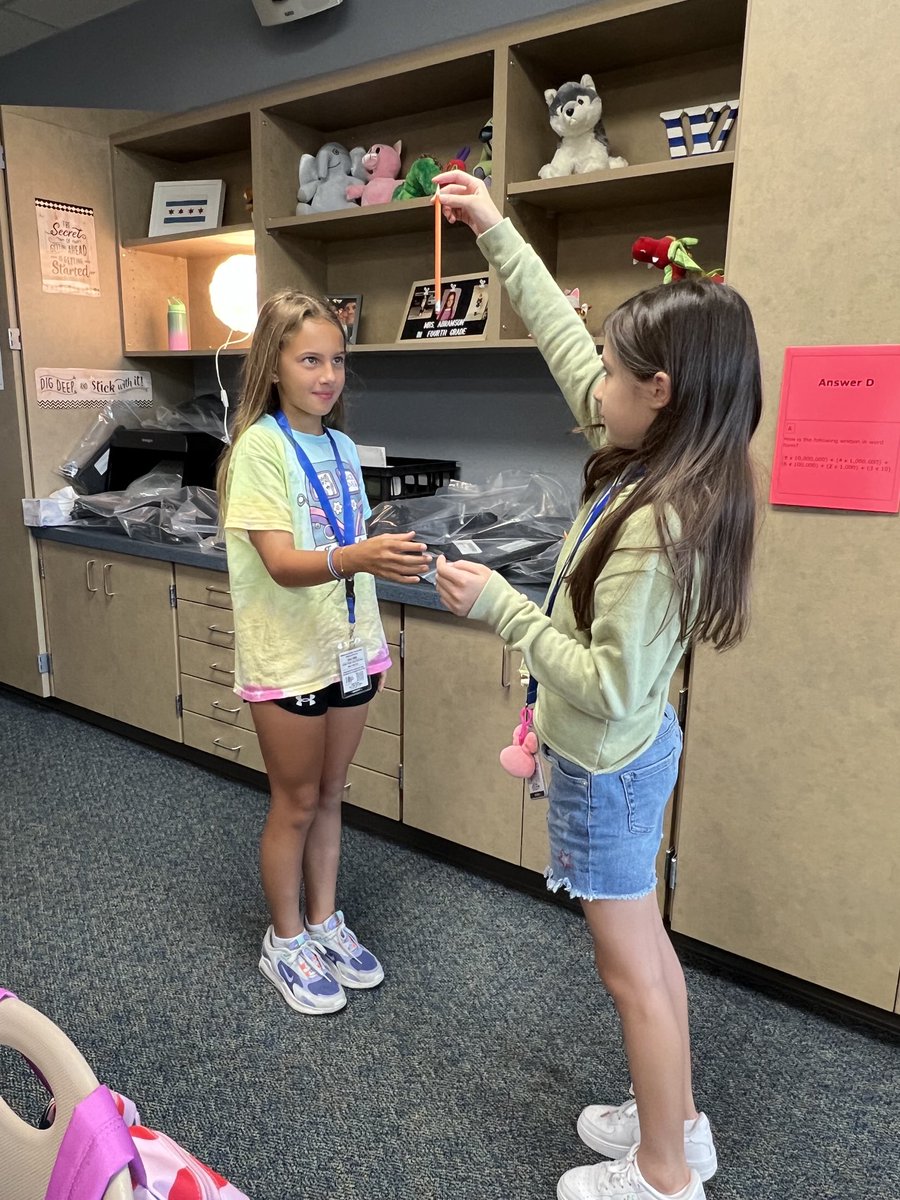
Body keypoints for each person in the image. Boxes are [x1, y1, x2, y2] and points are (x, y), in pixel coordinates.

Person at [432, 172, 761, 1200]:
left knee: (630, 974)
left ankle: (664, 1175)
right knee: (649, 954)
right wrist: (495, 228)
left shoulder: (655, 522)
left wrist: (500, 605)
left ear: (657, 390)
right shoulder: (660, 455)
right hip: (631, 755)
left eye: (615, 373)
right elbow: (567, 347)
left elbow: (608, 688)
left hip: (610, 763)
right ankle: (679, 1124)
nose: (595, 385)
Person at [216, 290, 431, 1015]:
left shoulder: (340, 446)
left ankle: (323, 921)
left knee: (333, 796)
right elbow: (281, 561)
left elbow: (342, 536)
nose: (328, 374)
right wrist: (359, 555)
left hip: (349, 647)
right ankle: (284, 942)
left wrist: (383, 555)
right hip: (289, 656)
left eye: (337, 359)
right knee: (296, 801)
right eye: (310, 359)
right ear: (273, 365)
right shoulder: (259, 450)